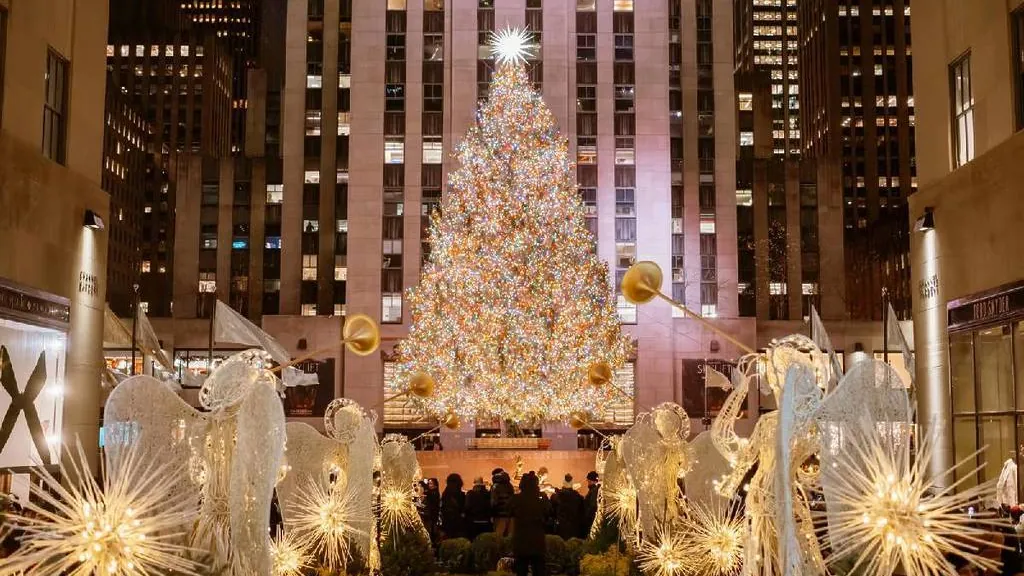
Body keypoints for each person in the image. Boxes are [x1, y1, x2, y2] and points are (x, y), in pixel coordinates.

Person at [510, 472, 551, 576]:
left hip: (521, 538)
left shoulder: (516, 498)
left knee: (521, 569)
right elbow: (549, 511)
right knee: (539, 568)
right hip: (537, 537)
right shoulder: (541, 497)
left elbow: (508, 510)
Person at [552, 474, 584, 540]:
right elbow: (582, 511)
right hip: (574, 528)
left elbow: (552, 511)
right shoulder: (577, 497)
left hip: (561, 527)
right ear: (572, 483)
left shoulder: (556, 496)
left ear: (563, 482)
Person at [441, 473, 466, 540]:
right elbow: (463, 507)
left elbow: (443, 508)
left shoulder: (445, 493)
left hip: (448, 520)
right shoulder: (460, 494)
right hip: (458, 520)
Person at [491, 468, 515, 537]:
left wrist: (492, 514)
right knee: (509, 538)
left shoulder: (495, 486)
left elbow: (493, 502)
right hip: (510, 515)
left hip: (499, 516)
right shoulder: (510, 485)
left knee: (498, 538)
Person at [422, 478, 441, 543]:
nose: (429, 485)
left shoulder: (433, 493)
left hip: (432, 514)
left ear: (435, 485)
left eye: (431, 483)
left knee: (431, 529)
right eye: (429, 484)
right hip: (431, 514)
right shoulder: (431, 492)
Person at [582, 471, 600, 537]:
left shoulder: (594, 490)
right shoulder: (593, 490)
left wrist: (587, 516)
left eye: (589, 481)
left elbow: (592, 506)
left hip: (590, 520)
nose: (588, 483)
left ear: (594, 481)